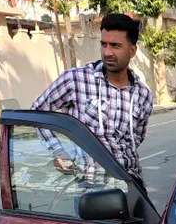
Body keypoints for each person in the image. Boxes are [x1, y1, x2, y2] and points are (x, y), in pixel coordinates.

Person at [32, 12, 154, 192]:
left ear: (132, 50)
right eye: (103, 44)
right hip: (90, 189)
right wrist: (58, 152)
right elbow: (38, 112)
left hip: (130, 186)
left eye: (115, 46)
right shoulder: (76, 80)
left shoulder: (143, 95)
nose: (107, 52)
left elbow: (136, 138)